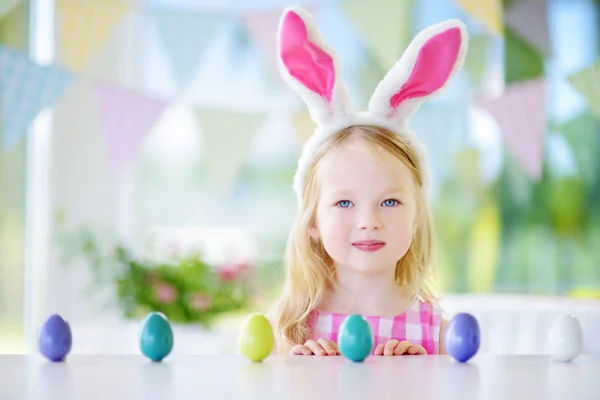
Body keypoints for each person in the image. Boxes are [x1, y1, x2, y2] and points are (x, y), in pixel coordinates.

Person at [269, 5, 469, 356]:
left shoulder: (438, 333)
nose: (369, 222)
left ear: (416, 216)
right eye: (344, 202)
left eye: (390, 202)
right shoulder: (291, 326)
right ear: (313, 220)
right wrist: (295, 374)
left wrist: (425, 376)